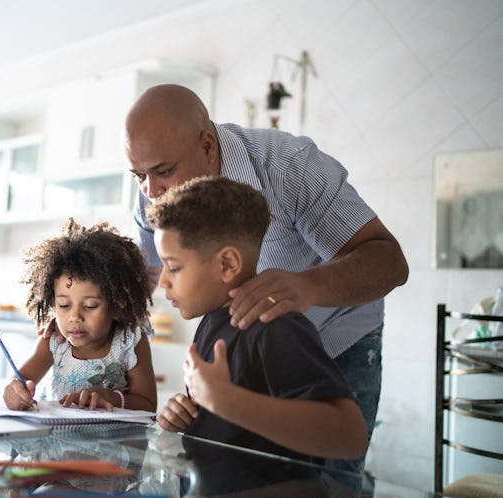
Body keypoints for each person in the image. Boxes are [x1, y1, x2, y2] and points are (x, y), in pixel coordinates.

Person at [124, 84, 408, 474]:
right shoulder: (152, 192)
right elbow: (145, 279)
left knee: (329, 479)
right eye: (139, 175)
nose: (150, 192)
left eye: (162, 172)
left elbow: (390, 261)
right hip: (248, 345)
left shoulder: (289, 166)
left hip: (336, 338)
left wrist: (307, 286)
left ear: (207, 146)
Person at [146, 176, 367, 467]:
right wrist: (187, 416)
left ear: (227, 264)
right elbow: (231, 427)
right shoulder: (212, 323)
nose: (163, 281)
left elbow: (350, 436)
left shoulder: (274, 327)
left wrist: (226, 401)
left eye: (173, 267)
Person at [3, 218, 157, 412]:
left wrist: (110, 397)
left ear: (117, 305)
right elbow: (18, 380)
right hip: (57, 437)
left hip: (114, 441)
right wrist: (13, 390)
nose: (74, 317)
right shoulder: (53, 342)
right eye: (64, 305)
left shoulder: (130, 342)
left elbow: (148, 405)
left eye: (90, 306)